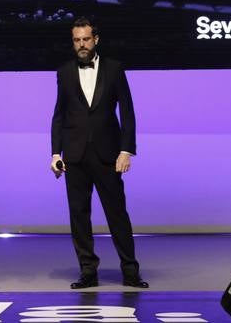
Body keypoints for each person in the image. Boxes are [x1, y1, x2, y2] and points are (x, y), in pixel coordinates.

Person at [50, 19, 146, 289]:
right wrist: (55, 153)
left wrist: (127, 150)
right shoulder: (65, 71)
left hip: (108, 154)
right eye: (77, 40)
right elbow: (59, 114)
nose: (81, 44)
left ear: (96, 40)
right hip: (74, 156)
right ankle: (88, 272)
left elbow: (127, 112)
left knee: (117, 214)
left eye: (86, 39)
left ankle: (130, 272)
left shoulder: (114, 68)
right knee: (79, 215)